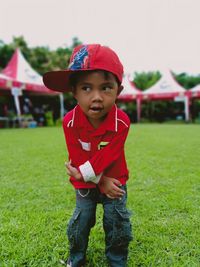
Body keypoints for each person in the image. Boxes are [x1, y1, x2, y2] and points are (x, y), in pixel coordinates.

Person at [43, 44, 132, 267]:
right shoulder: (69, 122)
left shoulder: (122, 122)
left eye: (106, 88)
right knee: (81, 219)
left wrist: (93, 177)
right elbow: (77, 157)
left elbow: (110, 154)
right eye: (86, 88)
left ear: (118, 91)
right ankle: (77, 257)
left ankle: (117, 260)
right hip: (88, 183)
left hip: (115, 180)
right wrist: (99, 181)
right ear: (73, 91)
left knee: (117, 221)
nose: (96, 97)